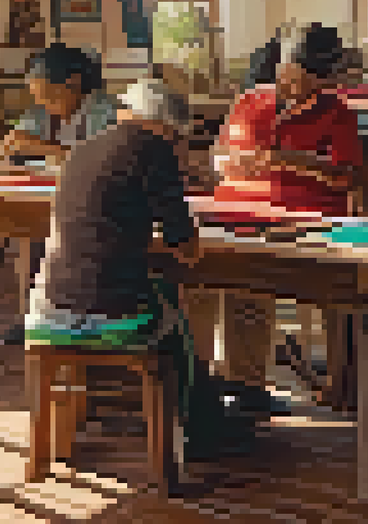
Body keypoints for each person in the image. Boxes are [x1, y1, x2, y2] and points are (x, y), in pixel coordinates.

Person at [25, 79, 252, 461]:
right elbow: (186, 249)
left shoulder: (82, 149)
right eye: (177, 138)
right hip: (110, 319)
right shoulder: (153, 149)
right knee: (177, 322)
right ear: (163, 125)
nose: (177, 147)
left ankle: (136, 413)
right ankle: (200, 433)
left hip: (48, 310)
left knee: (153, 299)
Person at [204, 23, 361, 391]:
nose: (296, 85)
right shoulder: (249, 102)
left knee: (343, 291)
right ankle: (241, 386)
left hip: (305, 223)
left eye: (308, 79)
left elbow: (345, 177)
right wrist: (225, 163)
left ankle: (341, 383)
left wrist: (288, 159)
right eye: (291, 74)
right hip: (239, 217)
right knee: (221, 280)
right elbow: (217, 155)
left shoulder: (337, 113)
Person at [0, 43, 120, 345]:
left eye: (51, 97)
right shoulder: (44, 111)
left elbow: (99, 161)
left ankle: (70, 318)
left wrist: (42, 147)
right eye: (39, 99)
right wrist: (14, 145)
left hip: (100, 203)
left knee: (57, 244)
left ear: (74, 84)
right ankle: (35, 315)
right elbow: (16, 144)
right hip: (53, 195)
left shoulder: (106, 112)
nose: (46, 106)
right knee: (30, 236)